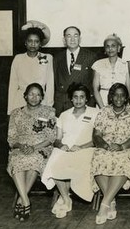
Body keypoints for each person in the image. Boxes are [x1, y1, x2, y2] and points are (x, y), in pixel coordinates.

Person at [41, 83, 99, 219]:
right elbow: (57, 139)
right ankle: (66, 198)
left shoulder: (95, 113)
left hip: (86, 149)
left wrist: (82, 147)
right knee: (54, 161)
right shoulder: (64, 115)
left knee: (80, 162)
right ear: (71, 99)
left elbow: (98, 138)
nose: (78, 100)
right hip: (66, 149)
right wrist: (61, 145)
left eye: (82, 97)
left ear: (87, 99)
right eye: (75, 97)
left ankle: (64, 197)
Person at [90, 83, 130, 225]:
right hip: (106, 147)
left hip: (127, 148)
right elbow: (96, 135)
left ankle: (104, 204)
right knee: (99, 157)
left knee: (123, 160)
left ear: (126, 98)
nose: (119, 98)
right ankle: (111, 200)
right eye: (115, 95)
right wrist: (104, 145)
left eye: (122, 95)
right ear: (111, 97)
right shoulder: (103, 112)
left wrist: (122, 146)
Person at [7, 83, 57, 222]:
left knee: (34, 159)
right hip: (20, 148)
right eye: (31, 94)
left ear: (42, 97)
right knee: (16, 160)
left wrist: (34, 147)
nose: (34, 97)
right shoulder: (16, 113)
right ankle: (26, 201)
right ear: (25, 96)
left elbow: (51, 137)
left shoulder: (49, 112)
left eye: (38, 95)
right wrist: (21, 146)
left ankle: (21, 201)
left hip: (41, 148)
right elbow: (11, 138)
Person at [7, 21, 53, 115]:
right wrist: (10, 110)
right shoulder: (18, 59)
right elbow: (13, 85)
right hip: (20, 101)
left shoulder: (47, 58)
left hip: (41, 100)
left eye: (36, 41)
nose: (33, 44)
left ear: (40, 43)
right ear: (25, 42)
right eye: (30, 41)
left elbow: (50, 84)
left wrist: (49, 107)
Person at [53, 26, 97, 116]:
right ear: (64, 39)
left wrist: (91, 104)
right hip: (62, 105)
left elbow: (94, 85)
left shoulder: (90, 57)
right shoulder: (57, 58)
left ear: (80, 39)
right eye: (69, 36)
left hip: (83, 104)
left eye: (75, 36)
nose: (72, 39)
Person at [92, 33, 130, 109]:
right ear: (104, 49)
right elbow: (95, 89)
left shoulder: (126, 64)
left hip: (120, 100)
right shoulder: (97, 64)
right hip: (102, 101)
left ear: (119, 48)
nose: (110, 49)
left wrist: (124, 105)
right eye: (107, 46)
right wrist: (102, 108)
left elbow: (128, 89)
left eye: (113, 46)